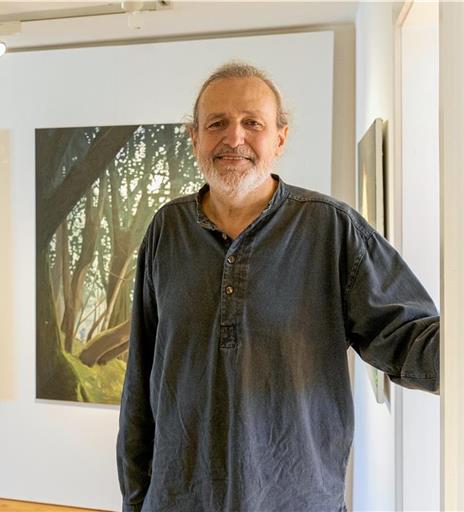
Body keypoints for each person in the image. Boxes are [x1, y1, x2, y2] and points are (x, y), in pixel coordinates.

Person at [116, 61, 440, 512]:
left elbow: (409, 337)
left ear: (280, 138)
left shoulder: (332, 229)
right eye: (217, 124)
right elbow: (141, 379)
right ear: (194, 137)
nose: (234, 138)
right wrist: (136, 498)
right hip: (180, 499)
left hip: (297, 499)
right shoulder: (166, 229)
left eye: (252, 123)